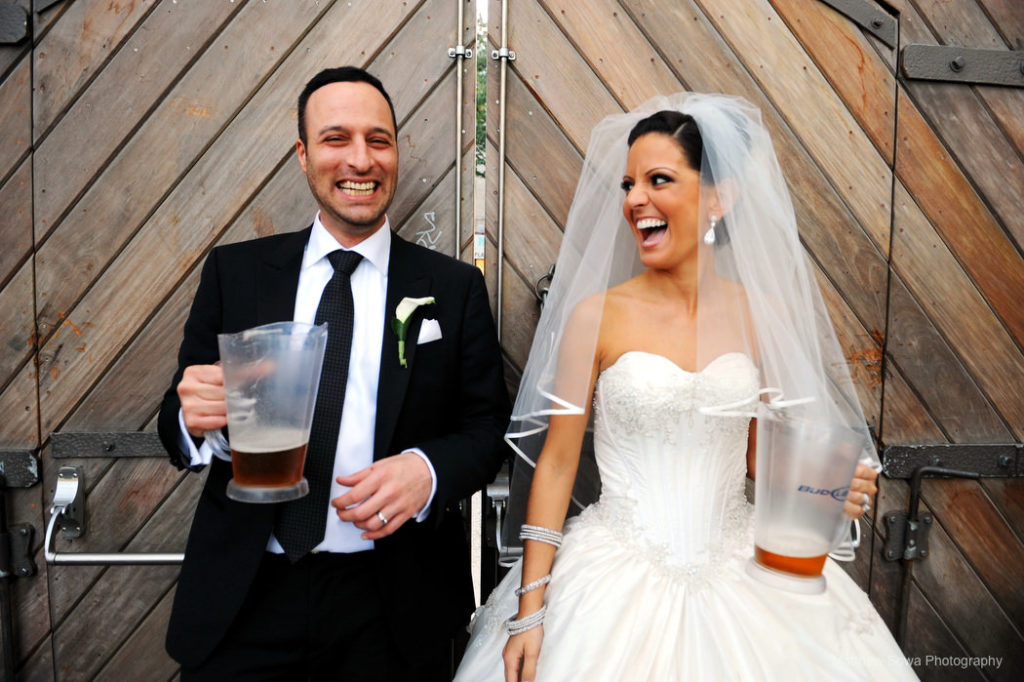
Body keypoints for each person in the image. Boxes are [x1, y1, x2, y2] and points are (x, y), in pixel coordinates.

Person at [453, 93, 918, 681]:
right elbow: (556, 464)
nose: (635, 200)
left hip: (743, 566)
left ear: (718, 199)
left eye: (658, 179)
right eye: (628, 185)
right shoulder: (595, 316)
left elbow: (758, 454)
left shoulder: (761, 313)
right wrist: (531, 610)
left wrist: (820, 482)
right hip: (612, 577)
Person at [157, 65, 510, 681]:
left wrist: (426, 473)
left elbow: (486, 429)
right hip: (245, 594)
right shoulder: (235, 274)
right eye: (335, 138)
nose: (360, 160)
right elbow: (176, 420)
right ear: (303, 154)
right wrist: (194, 420)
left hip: (393, 602)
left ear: (395, 152)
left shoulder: (452, 289)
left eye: (378, 140)